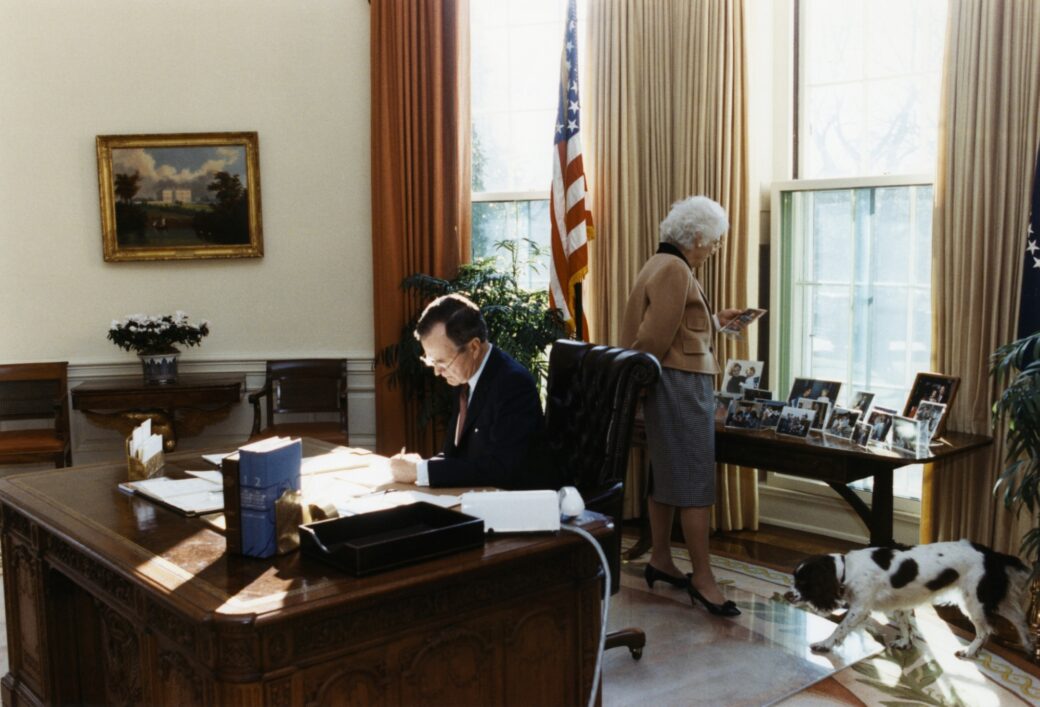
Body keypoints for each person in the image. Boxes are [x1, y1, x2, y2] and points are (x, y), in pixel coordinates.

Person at [620, 194, 742, 618]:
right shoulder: (675, 269)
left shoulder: (661, 263)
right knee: (693, 483)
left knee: (666, 476)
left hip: (672, 381)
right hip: (681, 384)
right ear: (695, 236)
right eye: (713, 242)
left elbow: (671, 326)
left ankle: (661, 559)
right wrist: (634, 386)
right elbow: (653, 339)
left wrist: (713, 319)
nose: (714, 249)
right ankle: (703, 578)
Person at [389, 293, 545, 489]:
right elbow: (455, 456)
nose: (437, 372)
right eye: (431, 361)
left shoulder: (513, 384)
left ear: (473, 347)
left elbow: (501, 469)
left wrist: (421, 470)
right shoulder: (466, 376)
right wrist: (420, 467)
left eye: (442, 362)